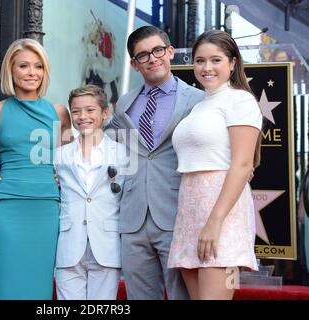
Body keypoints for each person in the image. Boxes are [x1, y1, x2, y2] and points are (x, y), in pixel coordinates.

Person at [105, 25, 204, 300]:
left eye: (158, 50)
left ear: (170, 51)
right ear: (134, 64)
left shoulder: (198, 100)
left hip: (176, 214)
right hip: (132, 218)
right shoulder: (124, 103)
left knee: (181, 295)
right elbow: (103, 146)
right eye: (143, 55)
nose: (153, 58)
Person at [167, 29, 262, 300]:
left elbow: (243, 166)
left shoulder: (240, 100)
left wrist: (215, 222)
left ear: (232, 63)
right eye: (200, 60)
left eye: (216, 60)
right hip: (189, 211)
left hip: (221, 213)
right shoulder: (199, 106)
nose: (207, 67)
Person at [0, 38, 71, 300]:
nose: (32, 72)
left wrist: (61, 175)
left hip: (46, 207)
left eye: (38, 66)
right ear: (11, 70)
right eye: (24, 66)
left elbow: (74, 161)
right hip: (7, 206)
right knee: (5, 286)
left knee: (38, 287)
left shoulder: (59, 113)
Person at [54, 85, 128, 300]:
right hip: (69, 245)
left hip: (106, 244)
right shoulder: (58, 156)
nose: (82, 116)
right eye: (76, 111)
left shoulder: (123, 154)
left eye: (90, 110)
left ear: (105, 113)